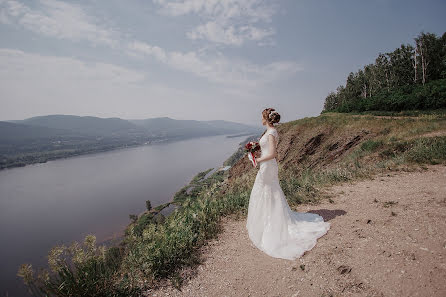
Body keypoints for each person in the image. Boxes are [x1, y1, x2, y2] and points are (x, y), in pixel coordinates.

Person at [246, 108, 330, 260]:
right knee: (268, 192)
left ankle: (270, 224)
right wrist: (257, 152)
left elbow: (273, 154)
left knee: (267, 191)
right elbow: (268, 152)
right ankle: (267, 220)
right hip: (268, 166)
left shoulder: (271, 133)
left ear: (266, 118)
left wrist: (257, 160)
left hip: (267, 166)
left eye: (261, 117)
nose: (260, 119)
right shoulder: (271, 132)